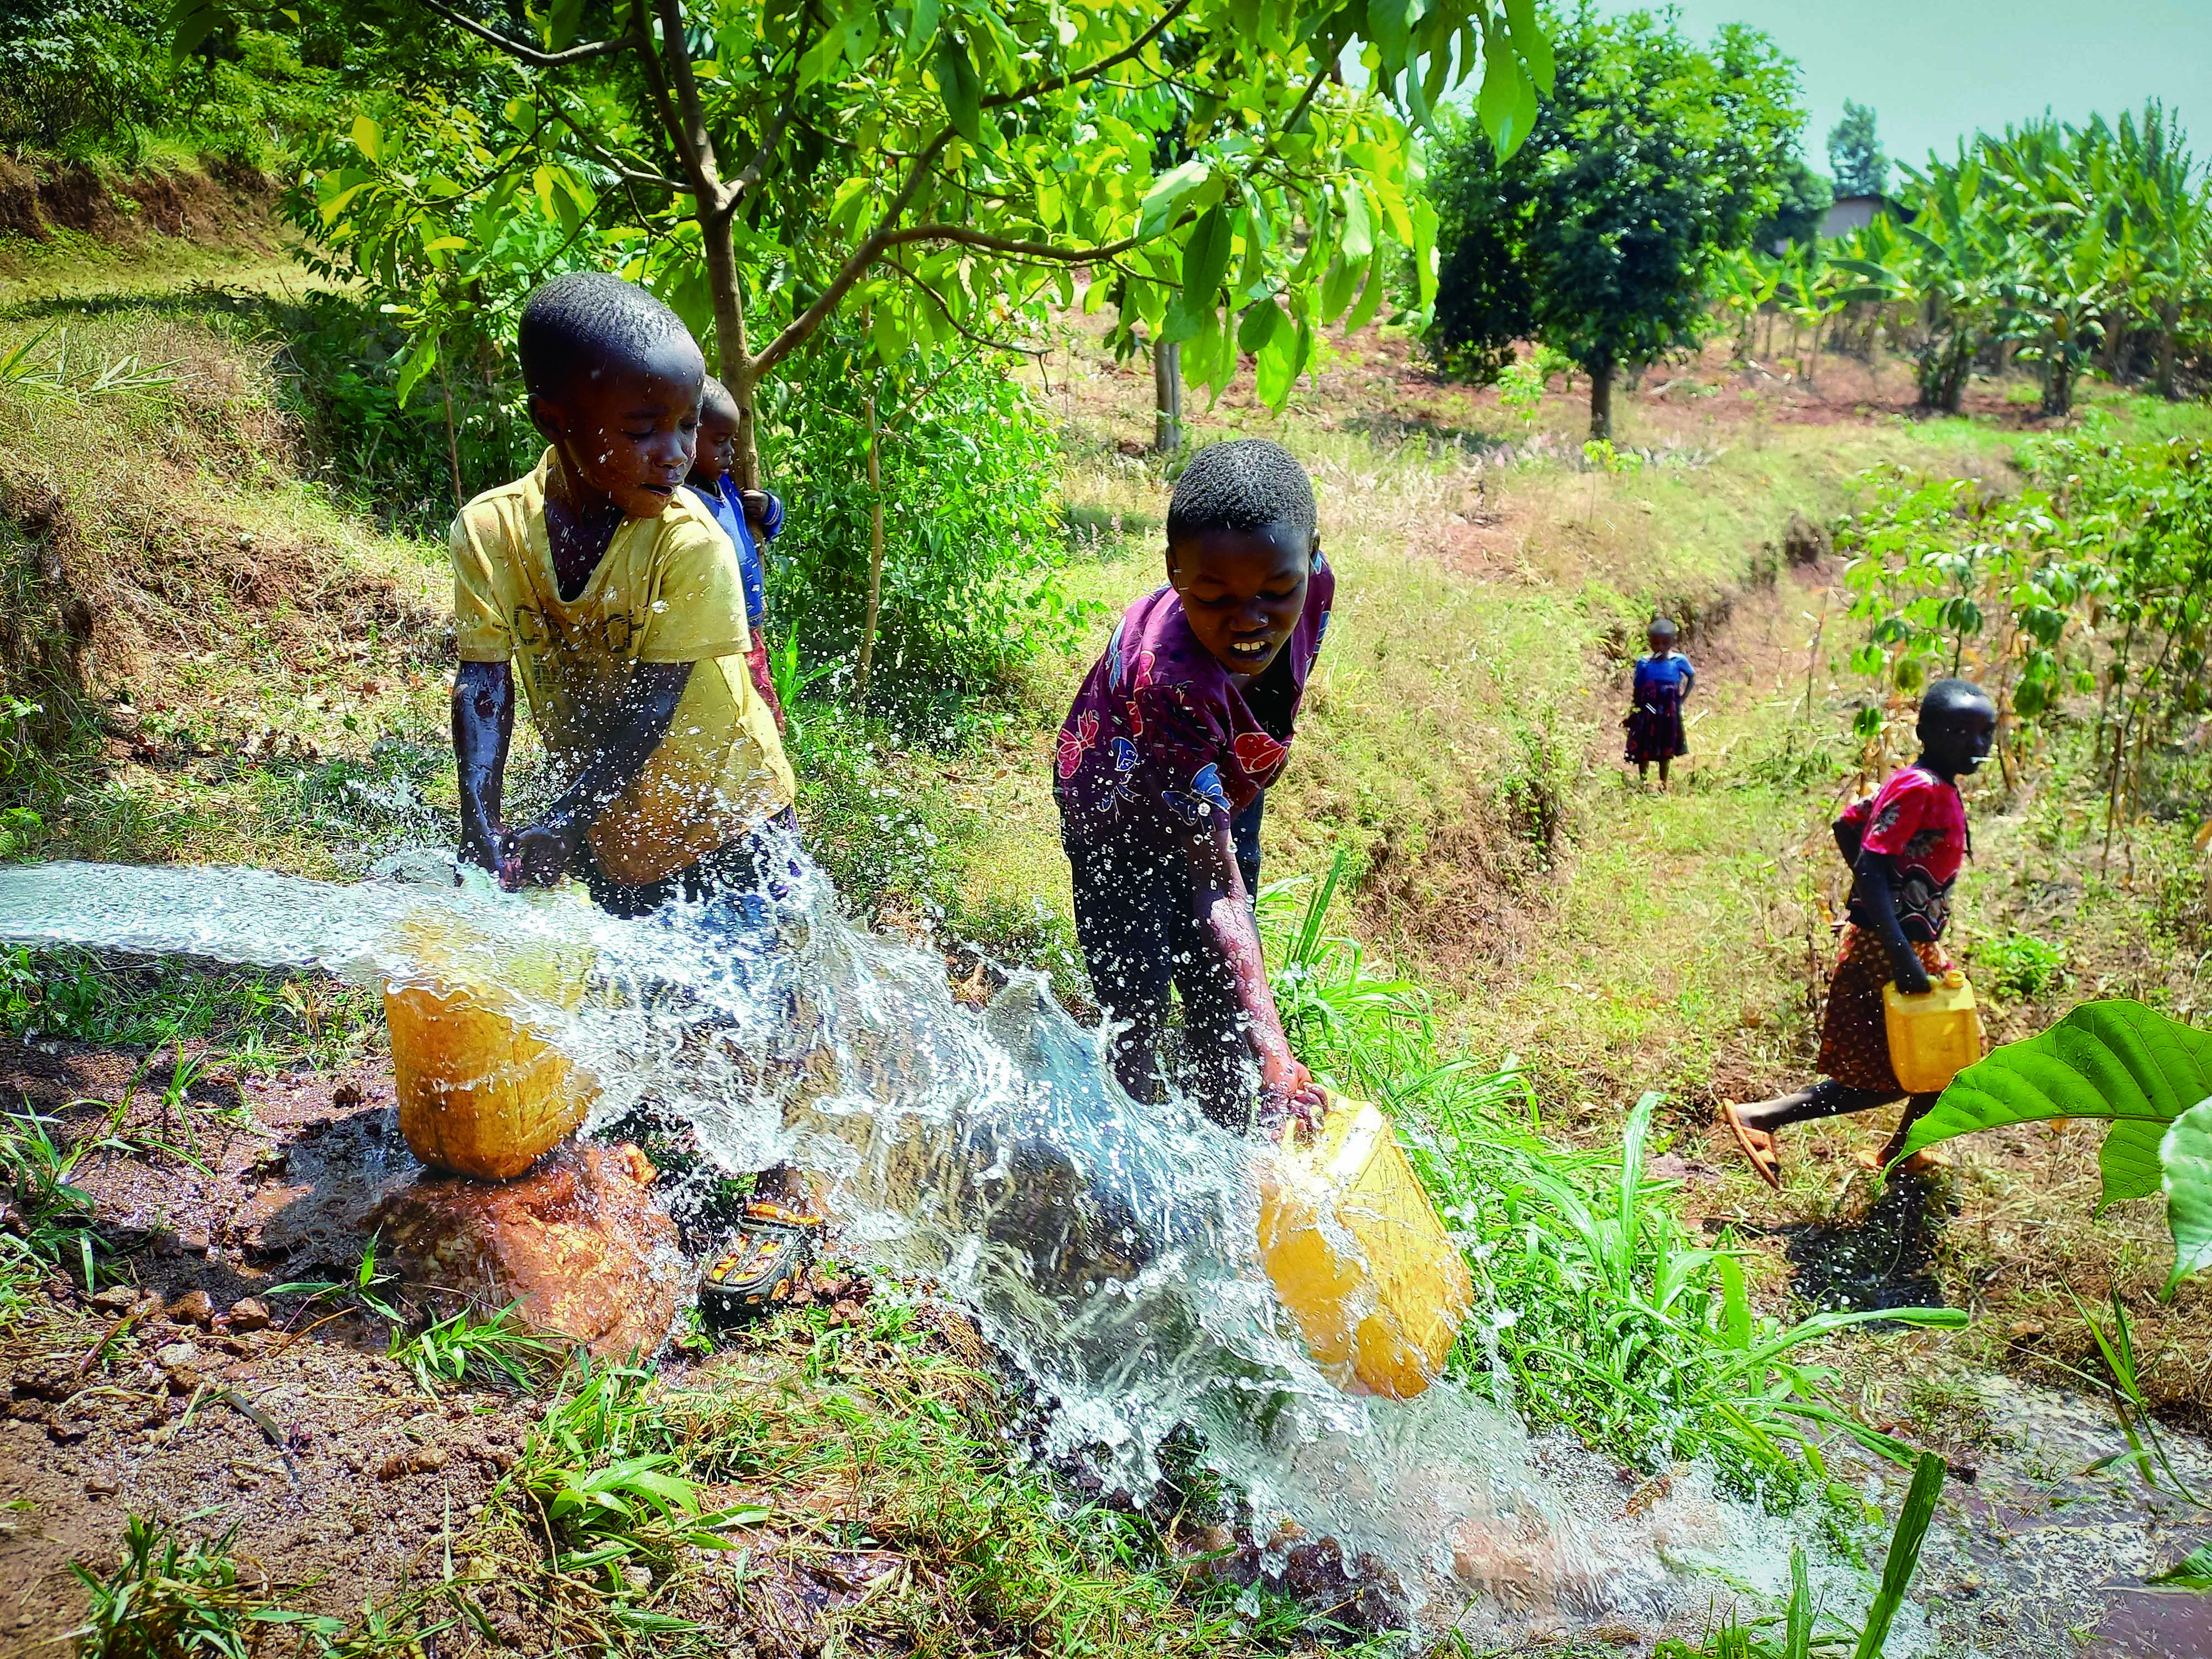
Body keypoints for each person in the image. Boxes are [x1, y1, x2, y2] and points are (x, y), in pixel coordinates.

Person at [446, 270, 815, 1293]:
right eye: (647, 427)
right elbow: (484, 689)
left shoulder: (687, 538)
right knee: (650, 1005)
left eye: (690, 426)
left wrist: (555, 820)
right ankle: (670, 1176)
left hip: (729, 812)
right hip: (619, 831)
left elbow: (650, 716)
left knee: (746, 1009)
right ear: (557, 422)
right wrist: (483, 832)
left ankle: (781, 1196)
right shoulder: (493, 532)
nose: (680, 454)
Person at [1053, 438, 1331, 1135]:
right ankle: (1132, 1161)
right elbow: (1213, 884)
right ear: (1175, 574)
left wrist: (1256, 1040)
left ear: (1309, 558)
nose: (1249, 620)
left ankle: (1234, 1137)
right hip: (1118, 815)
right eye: (1214, 596)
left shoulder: (1315, 581)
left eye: (1276, 593)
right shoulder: (1170, 681)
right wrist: (1277, 1044)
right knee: (1135, 1005)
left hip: (1216, 782)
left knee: (1221, 1001)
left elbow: (1222, 884)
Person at [1721, 680, 1999, 1188]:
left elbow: (1850, 826)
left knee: (1944, 1055)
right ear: (1926, 731)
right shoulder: (1922, 788)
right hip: (1888, 947)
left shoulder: (1924, 783)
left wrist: (1886, 906)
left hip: (1903, 939)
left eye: (1986, 733)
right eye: (1960, 731)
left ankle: (1903, 1151)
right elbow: (1871, 861)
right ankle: (1762, 1117)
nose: (1976, 745)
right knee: (1915, 1065)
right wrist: (1896, 945)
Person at [684, 377, 787, 734]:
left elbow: (764, 528)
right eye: (719, 442)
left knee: (759, 705)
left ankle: (765, 762)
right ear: (688, 437)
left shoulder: (726, 486)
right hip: (712, 634)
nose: (730, 453)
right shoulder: (683, 501)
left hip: (749, 626)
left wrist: (769, 508)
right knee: (722, 712)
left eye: (732, 442)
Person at [1624, 617, 1695, 789]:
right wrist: (1635, 709)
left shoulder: (1678, 661)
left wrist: (1683, 697)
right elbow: (1638, 686)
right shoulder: (1644, 663)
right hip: (1648, 709)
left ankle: (1664, 782)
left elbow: (1692, 676)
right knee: (1645, 743)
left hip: (1669, 710)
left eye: (1665, 643)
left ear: (1672, 642)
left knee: (1667, 744)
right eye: (1656, 643)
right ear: (1650, 642)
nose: (1660, 647)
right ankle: (1644, 780)